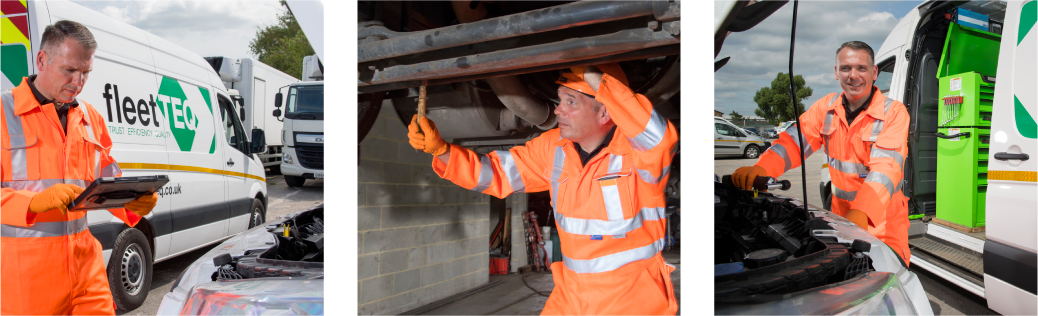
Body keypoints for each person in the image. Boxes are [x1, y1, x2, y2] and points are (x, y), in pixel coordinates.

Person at [409, 63, 679, 315]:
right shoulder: (554, 147)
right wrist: (443, 152)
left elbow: (656, 134)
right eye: (560, 100)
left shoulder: (640, 154)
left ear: (606, 110)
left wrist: (596, 77)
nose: (559, 110)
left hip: (632, 297)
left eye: (571, 102)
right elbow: (499, 174)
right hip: (571, 292)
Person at [0, 20, 158, 314]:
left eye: (86, 72)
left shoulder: (91, 118)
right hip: (24, 281)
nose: (78, 81)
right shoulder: (2, 113)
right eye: (69, 70)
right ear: (42, 60)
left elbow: (107, 181)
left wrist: (133, 203)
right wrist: (32, 203)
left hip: (86, 273)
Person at [730, 41, 911, 266]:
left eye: (861, 68)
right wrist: (762, 168)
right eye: (846, 68)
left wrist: (863, 211)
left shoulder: (893, 112)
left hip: (883, 225)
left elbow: (887, 168)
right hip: (843, 223)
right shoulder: (825, 108)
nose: (853, 75)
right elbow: (794, 143)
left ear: (874, 72)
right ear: (836, 72)